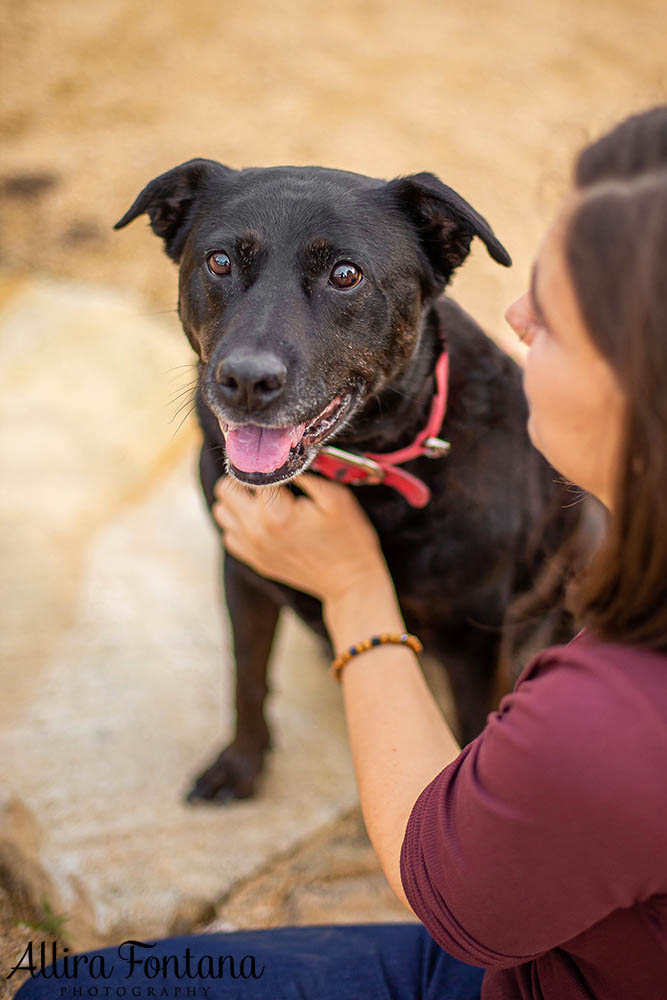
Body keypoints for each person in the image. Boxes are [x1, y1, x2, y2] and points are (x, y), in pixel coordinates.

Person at [15, 106, 667, 1000]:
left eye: (343, 276)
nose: (248, 359)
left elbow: (459, 894)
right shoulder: (240, 424)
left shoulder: (606, 704)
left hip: (488, 939)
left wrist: (358, 597)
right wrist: (246, 737)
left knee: (64, 989)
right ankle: (254, 736)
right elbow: (244, 566)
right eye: (222, 267)